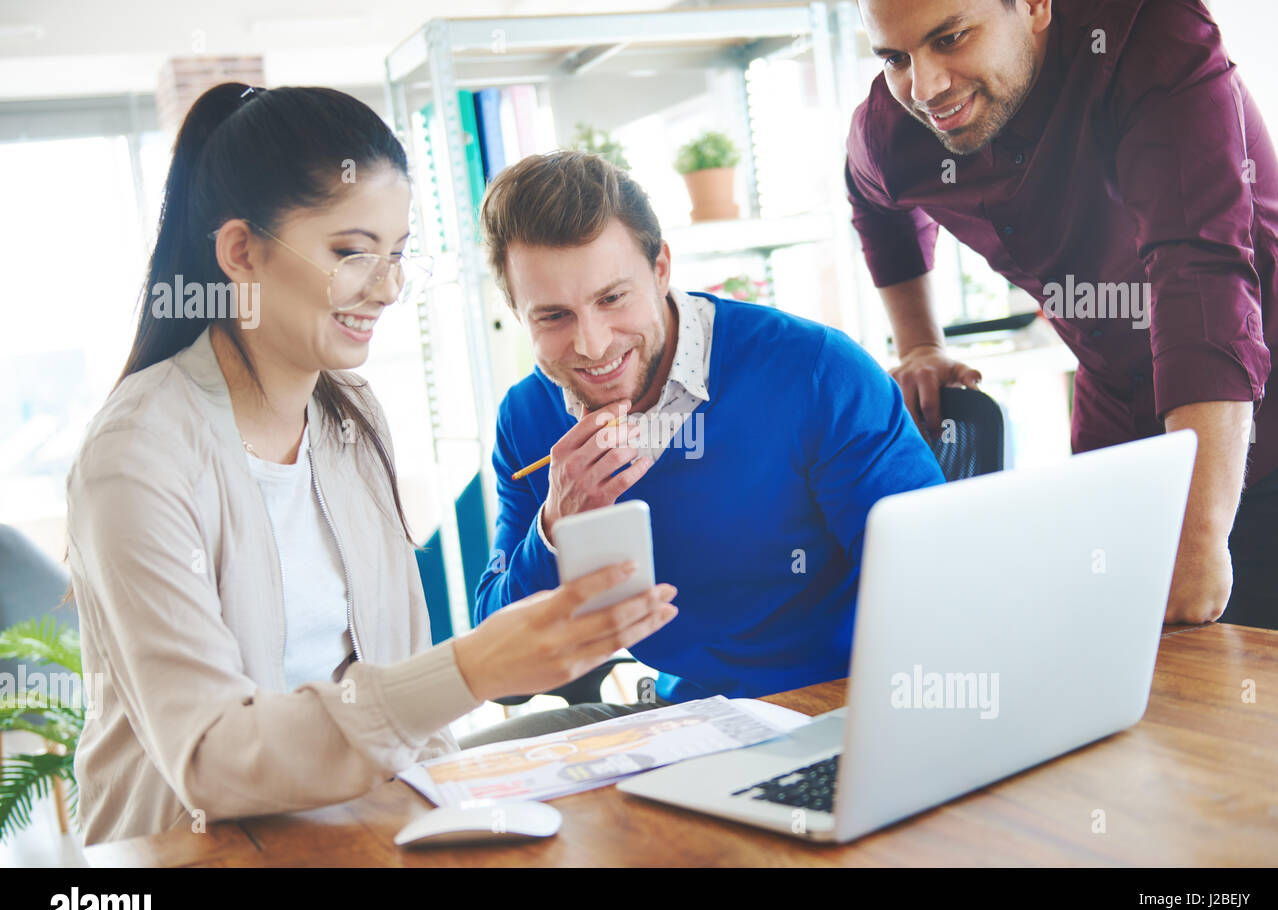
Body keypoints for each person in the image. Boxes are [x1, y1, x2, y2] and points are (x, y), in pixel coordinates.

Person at [65, 83, 677, 845]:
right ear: (241, 252)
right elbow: (215, 761)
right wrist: (473, 667)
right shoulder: (136, 454)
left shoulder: (349, 416)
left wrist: (462, 823)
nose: (387, 289)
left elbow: (405, 694)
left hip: (371, 835)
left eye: (397, 256)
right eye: (353, 253)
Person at [846, 0, 1278, 630]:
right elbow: (874, 202)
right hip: (1117, 423)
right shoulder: (893, 127)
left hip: (1274, 401)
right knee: (1124, 682)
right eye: (895, 58)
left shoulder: (1150, 36)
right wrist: (920, 342)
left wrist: (1195, 537)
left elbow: (1198, 276)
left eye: (951, 38)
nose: (925, 88)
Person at [467, 150, 943, 745]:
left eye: (613, 298)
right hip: (680, 723)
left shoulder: (813, 372)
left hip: (837, 708)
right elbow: (500, 673)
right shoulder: (528, 418)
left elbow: (935, 582)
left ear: (661, 268)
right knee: (455, 773)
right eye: (554, 316)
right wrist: (555, 524)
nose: (591, 345)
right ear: (516, 312)